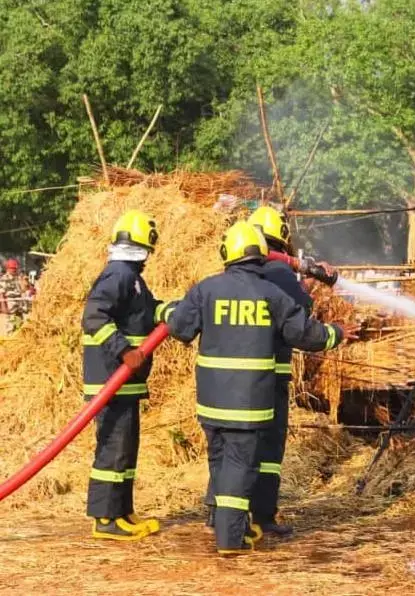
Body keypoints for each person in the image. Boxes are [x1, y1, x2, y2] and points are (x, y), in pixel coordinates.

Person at [160, 221, 356, 554]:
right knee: (240, 465)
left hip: (211, 401)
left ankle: (226, 526)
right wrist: (336, 332)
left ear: (228, 253)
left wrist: (166, 309)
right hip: (249, 402)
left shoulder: (205, 290)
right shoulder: (272, 295)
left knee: (220, 462)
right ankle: (231, 539)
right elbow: (305, 335)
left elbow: (179, 329)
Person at [195, 204, 334, 537]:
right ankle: (261, 515)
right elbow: (300, 322)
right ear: (281, 240)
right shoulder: (281, 276)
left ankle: (222, 514)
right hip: (266, 377)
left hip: (223, 384)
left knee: (226, 449)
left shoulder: (225, 282)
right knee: (267, 450)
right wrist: (332, 327)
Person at [83, 210, 163, 540]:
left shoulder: (132, 277)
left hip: (125, 383)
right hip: (110, 381)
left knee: (126, 451)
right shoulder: (117, 274)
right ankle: (105, 519)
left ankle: (121, 511)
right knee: (113, 450)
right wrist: (124, 351)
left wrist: (170, 310)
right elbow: (94, 317)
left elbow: (144, 311)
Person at [0, 258, 26, 334]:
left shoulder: (17, 278)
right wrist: (4, 307)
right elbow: (1, 294)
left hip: (19, 307)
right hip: (10, 306)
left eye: (16, 268)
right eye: (13, 268)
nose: (15, 270)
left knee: (20, 327)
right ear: (8, 268)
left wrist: (24, 282)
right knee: (11, 327)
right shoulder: (4, 279)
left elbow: (22, 290)